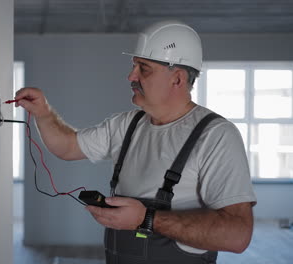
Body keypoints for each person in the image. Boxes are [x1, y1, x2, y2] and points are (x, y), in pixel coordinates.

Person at [14, 20, 256, 264]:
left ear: (177, 79)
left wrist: (146, 219)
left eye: (144, 68)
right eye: (134, 66)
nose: (131, 76)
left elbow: (237, 235)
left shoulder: (216, 136)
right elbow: (67, 146)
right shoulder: (126, 125)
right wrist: (43, 113)